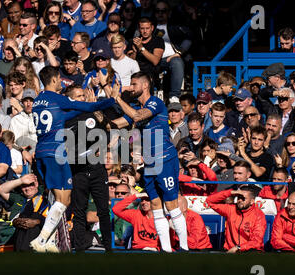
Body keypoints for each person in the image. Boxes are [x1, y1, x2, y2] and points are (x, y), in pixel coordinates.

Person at [29, 66, 118, 252]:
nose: (61, 81)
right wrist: (111, 99)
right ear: (53, 80)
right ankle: (42, 239)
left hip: (41, 152)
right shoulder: (57, 98)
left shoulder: (37, 101)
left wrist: (79, 111)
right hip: (55, 152)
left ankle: (52, 241)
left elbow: (64, 115)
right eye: (59, 78)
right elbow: (89, 106)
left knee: (56, 199)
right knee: (64, 200)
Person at [111, 71, 189, 252]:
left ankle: (185, 249)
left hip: (165, 159)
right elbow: (114, 124)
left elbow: (138, 117)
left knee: (171, 205)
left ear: (145, 85)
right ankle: (167, 251)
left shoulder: (155, 102)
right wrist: (96, 115)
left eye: (134, 84)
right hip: (150, 164)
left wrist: (118, 99)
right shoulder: (135, 109)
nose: (131, 88)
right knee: (155, 206)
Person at [64, 84, 114, 253]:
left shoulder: (91, 112)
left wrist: (95, 108)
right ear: (70, 99)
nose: (83, 99)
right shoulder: (66, 119)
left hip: (98, 169)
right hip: (79, 171)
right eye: (79, 97)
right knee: (79, 211)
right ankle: (79, 248)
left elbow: (107, 127)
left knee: (103, 210)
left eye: (83, 96)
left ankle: (109, 248)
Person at [0, 173, 50, 252]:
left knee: (33, 219)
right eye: (24, 186)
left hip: (35, 231)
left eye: (30, 185)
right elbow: (1, 189)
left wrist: (36, 221)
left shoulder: (42, 195)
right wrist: (21, 180)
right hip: (13, 230)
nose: (27, 188)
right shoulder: (19, 198)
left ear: (36, 184)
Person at [206, 186, 267, 253]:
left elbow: (256, 241)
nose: (240, 200)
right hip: (230, 250)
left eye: (243, 198)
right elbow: (209, 201)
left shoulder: (258, 215)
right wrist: (231, 192)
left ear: (252, 201)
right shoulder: (231, 209)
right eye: (238, 198)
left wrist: (238, 247)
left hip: (249, 251)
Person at [153, 0, 191, 101]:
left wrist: (179, 53)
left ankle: (174, 97)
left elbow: (189, 38)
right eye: (158, 11)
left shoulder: (175, 27)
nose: (160, 13)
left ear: (169, 13)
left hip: (171, 59)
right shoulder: (149, 27)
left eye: (163, 11)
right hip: (153, 58)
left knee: (177, 62)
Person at [127, 17, 164, 90]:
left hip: (151, 74)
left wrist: (141, 48)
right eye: (142, 28)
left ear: (152, 28)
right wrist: (134, 52)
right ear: (139, 29)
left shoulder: (158, 41)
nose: (145, 31)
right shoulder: (133, 41)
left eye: (147, 28)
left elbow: (155, 61)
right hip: (135, 73)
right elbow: (129, 62)